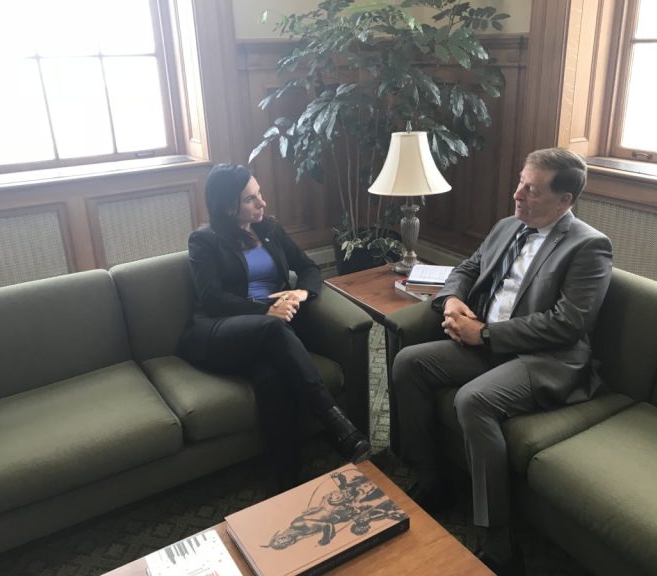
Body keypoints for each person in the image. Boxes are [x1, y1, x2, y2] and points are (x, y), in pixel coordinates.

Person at [391, 148, 612, 573]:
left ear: (565, 200)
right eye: (520, 182)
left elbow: (569, 323)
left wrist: (486, 334)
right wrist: (453, 301)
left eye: (531, 189)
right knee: (408, 363)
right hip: (488, 345)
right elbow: (468, 268)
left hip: (545, 359)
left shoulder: (588, 246)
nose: (517, 194)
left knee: (472, 400)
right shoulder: (509, 225)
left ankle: (499, 543)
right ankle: (433, 481)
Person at [178, 164, 370, 489]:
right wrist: (266, 309)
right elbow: (211, 298)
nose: (262, 203)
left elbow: (309, 267)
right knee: (274, 329)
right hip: (219, 331)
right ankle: (337, 424)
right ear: (228, 206)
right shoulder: (204, 240)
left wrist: (300, 291)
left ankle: (287, 478)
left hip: (270, 335)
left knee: (270, 377)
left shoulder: (269, 229)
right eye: (251, 199)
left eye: (260, 194)